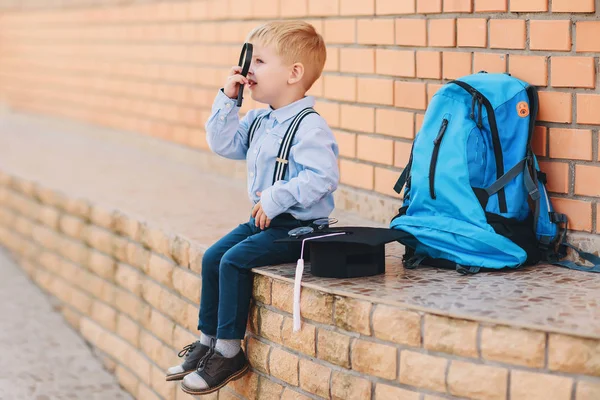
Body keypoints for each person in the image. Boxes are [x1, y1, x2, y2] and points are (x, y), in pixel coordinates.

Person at [165, 20, 339, 395]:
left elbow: (323, 177)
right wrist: (229, 99)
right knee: (214, 256)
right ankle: (208, 341)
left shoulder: (309, 127)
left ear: (294, 73)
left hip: (300, 227)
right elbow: (224, 144)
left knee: (234, 260)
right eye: (249, 61)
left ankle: (229, 352)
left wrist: (277, 197)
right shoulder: (261, 118)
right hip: (265, 221)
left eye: (259, 61)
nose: (248, 70)